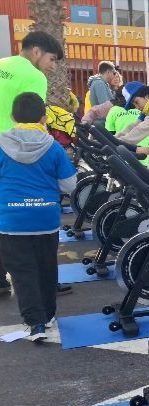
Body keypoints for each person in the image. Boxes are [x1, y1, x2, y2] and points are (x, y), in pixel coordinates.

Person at [0, 93, 77, 341]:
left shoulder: (1, 145)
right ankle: (48, 315)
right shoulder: (53, 147)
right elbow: (70, 185)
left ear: (13, 117)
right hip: (45, 218)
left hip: (11, 221)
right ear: (43, 118)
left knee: (22, 273)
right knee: (46, 267)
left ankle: (35, 325)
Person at [0, 31, 68, 297]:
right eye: (52, 59)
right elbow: (34, 121)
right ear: (37, 51)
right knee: (30, 215)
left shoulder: (2, 65)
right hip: (15, 150)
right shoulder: (33, 76)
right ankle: (43, 281)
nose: (53, 67)